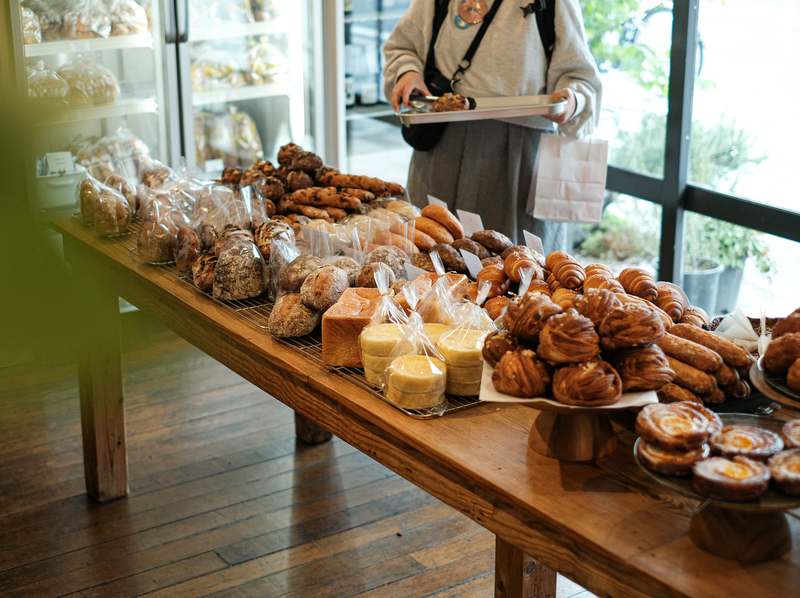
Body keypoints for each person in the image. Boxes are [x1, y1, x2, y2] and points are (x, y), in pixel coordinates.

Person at [384, 0, 601, 254]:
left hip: (520, 157)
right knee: (428, 257)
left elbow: (582, 79)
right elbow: (403, 47)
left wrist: (573, 100)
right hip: (442, 145)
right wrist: (407, 73)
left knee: (518, 267)